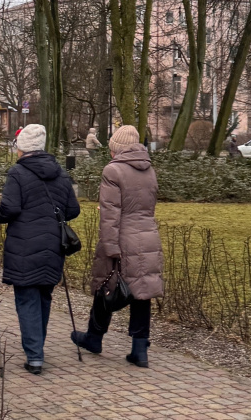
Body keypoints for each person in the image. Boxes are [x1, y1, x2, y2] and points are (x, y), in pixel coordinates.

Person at [0, 124, 80, 375]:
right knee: (43, 297)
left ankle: (35, 355)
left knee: (27, 299)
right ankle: (37, 348)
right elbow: (73, 210)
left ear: (21, 148)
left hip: (24, 245)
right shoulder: (60, 173)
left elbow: (9, 210)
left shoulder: (17, 172)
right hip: (52, 245)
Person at [70, 125, 164, 368]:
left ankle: (94, 337)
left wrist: (110, 246)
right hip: (148, 235)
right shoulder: (149, 169)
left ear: (117, 148)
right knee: (142, 291)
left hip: (123, 235)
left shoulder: (112, 171)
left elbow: (111, 215)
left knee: (107, 284)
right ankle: (140, 349)